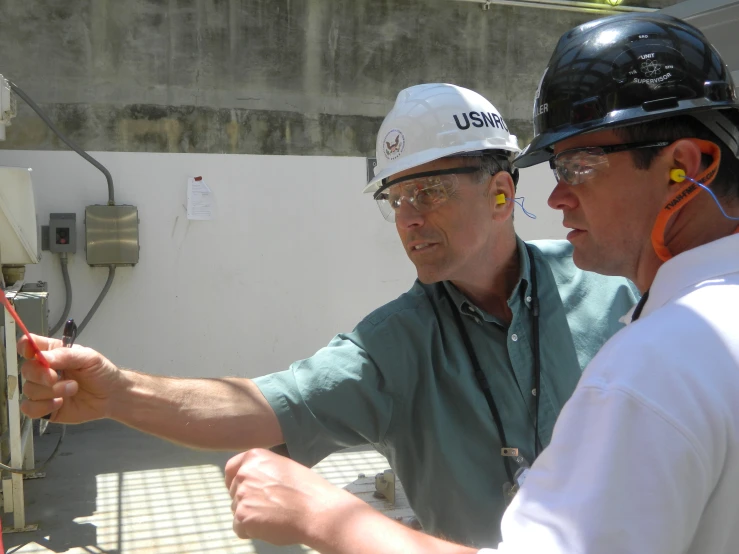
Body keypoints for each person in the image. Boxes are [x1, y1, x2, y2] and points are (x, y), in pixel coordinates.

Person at [18, 84, 637, 547]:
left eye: (430, 191)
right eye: (396, 198)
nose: (408, 219)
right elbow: (264, 404)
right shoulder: (397, 341)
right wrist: (120, 393)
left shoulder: (613, 291)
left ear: (501, 191)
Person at [222, 13, 739, 554]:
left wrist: (326, 517)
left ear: (685, 166)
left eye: (578, 166)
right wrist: (124, 392)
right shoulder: (682, 340)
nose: (557, 197)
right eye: (397, 199)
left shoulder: (648, 368)